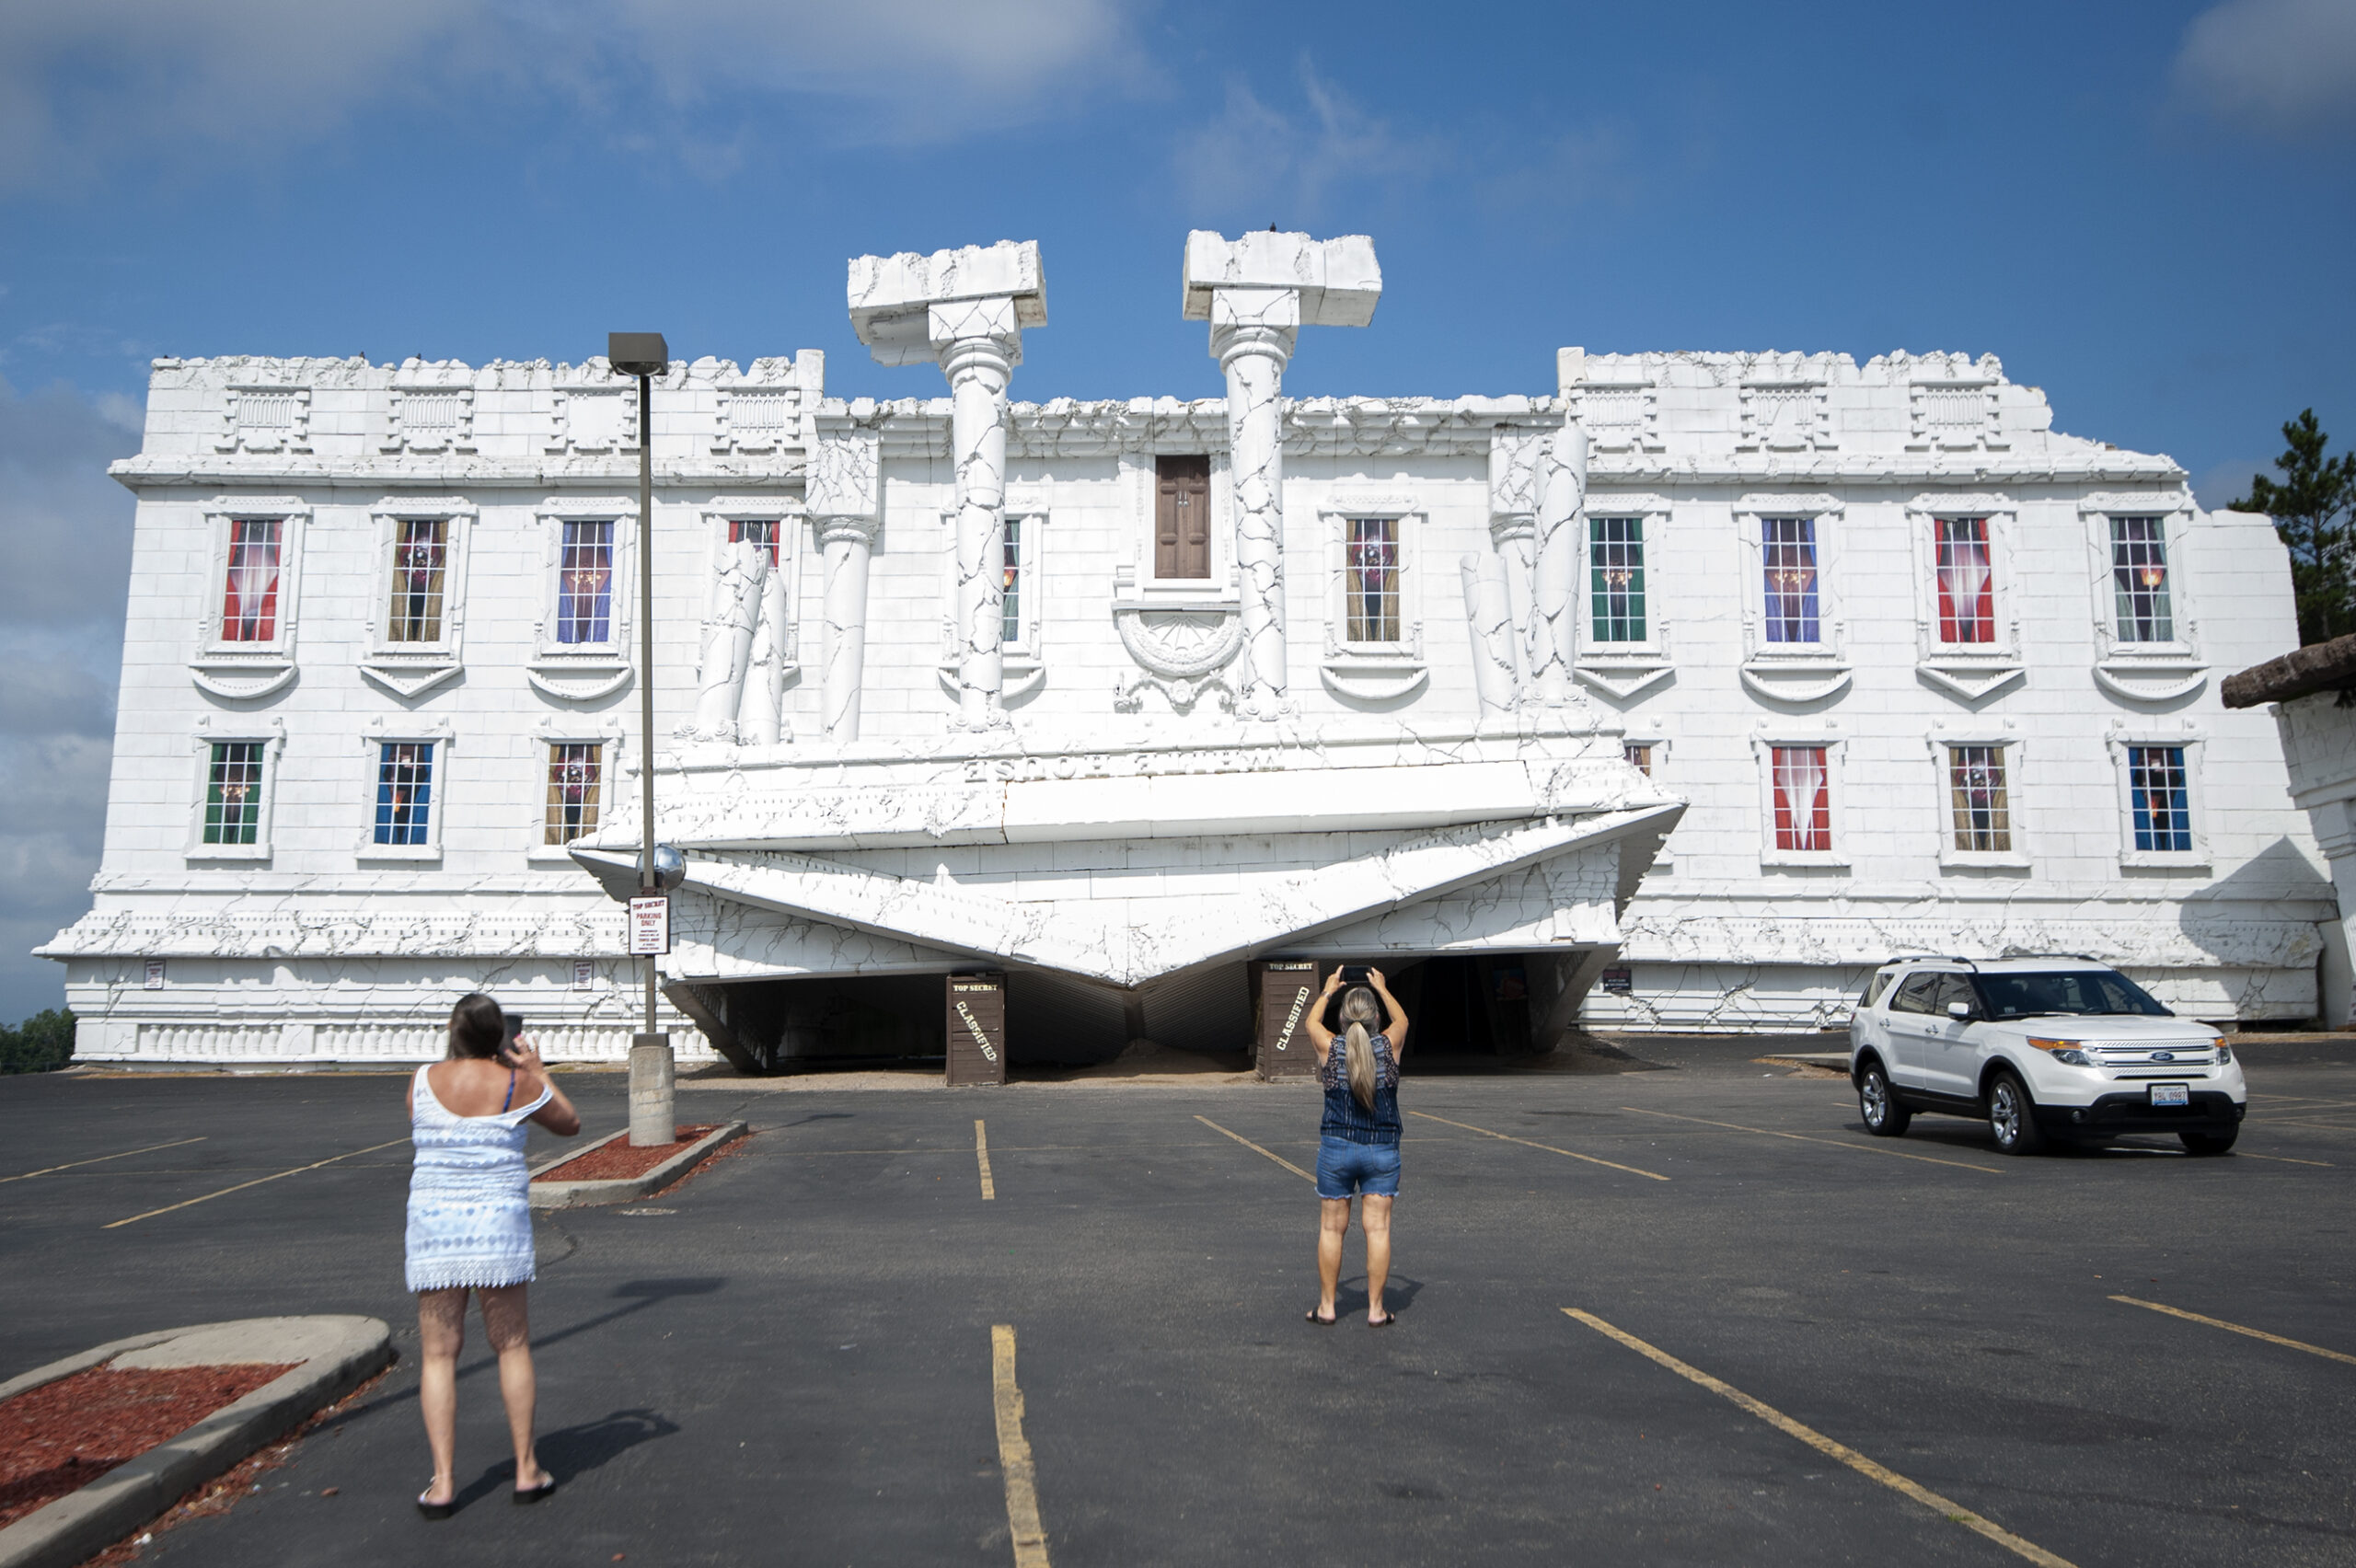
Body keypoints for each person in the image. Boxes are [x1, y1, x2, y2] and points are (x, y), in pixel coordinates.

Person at [405, 993, 581, 1518]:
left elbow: (424, 1128)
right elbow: (569, 1123)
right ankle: (527, 1470)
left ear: (452, 1032)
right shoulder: (518, 1084)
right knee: (511, 1344)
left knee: (439, 1354)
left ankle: (443, 1484)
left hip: (435, 1225)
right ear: (499, 1037)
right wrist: (539, 1071)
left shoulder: (420, 1082)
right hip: (497, 1225)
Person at [1302, 966, 1410, 1327]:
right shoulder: (1390, 1044)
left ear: (1343, 1019)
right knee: (1377, 1229)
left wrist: (1327, 990)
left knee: (1332, 1229)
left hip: (1337, 1149)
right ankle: (1376, 1310)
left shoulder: (1330, 1047)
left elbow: (1311, 1022)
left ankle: (1328, 1307)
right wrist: (1381, 988)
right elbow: (1403, 1019)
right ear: (1376, 1017)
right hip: (1382, 1150)